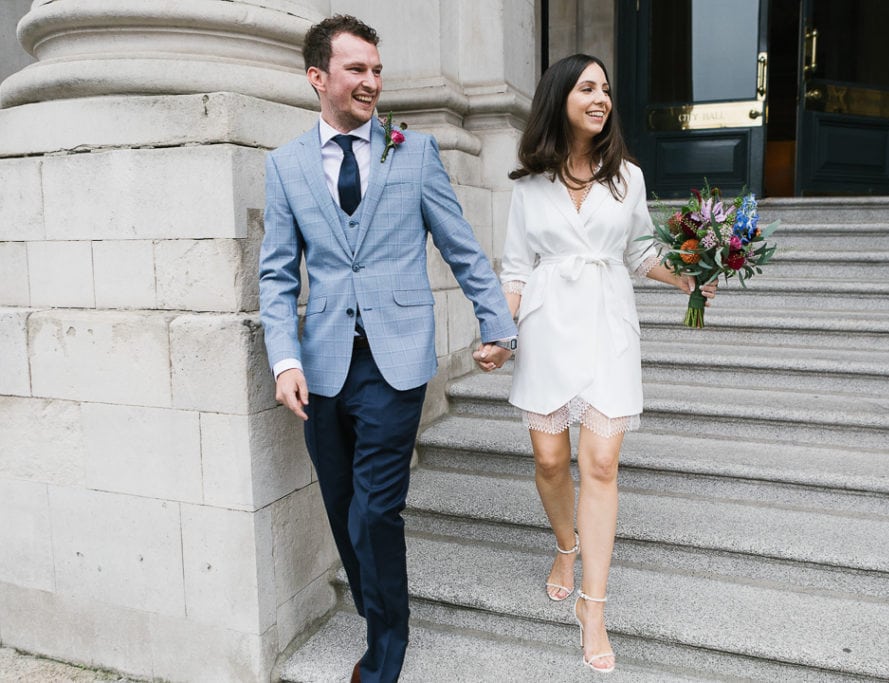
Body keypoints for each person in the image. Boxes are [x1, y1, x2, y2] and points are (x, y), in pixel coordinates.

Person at [258, 15, 518, 683]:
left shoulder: (416, 151)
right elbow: (278, 272)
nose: (373, 81)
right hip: (321, 365)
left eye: (377, 69)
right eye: (357, 70)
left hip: (395, 359)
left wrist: (497, 322)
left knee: (377, 505)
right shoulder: (286, 166)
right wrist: (284, 359)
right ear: (319, 77)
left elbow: (460, 244)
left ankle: (385, 649)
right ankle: (380, 613)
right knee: (344, 506)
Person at [498, 54, 718, 674]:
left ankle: (594, 607)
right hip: (546, 328)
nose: (601, 98)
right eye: (588, 88)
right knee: (548, 460)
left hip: (608, 330)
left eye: (606, 90)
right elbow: (515, 268)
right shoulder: (527, 184)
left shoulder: (629, 178)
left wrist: (690, 278)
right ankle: (564, 547)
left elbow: (641, 249)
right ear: (559, 97)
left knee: (599, 461)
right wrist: (497, 333)